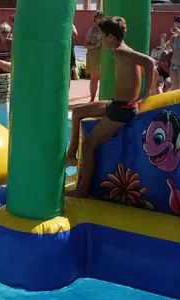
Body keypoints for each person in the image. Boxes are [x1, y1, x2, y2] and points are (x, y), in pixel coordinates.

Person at [67, 16, 156, 193]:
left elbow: (150, 62)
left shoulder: (122, 51)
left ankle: (83, 189)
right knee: (77, 112)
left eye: (102, 35)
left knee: (89, 143)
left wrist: (146, 93)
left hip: (124, 109)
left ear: (111, 36)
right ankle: (70, 155)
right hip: (115, 104)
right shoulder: (119, 50)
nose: (100, 39)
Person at [85, 12, 104, 101]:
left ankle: (103, 98)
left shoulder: (107, 31)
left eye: (101, 17)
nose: (99, 19)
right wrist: (95, 45)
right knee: (94, 77)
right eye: (98, 18)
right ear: (95, 19)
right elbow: (86, 44)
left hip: (105, 55)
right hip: (94, 55)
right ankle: (92, 99)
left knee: (105, 77)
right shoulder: (91, 31)